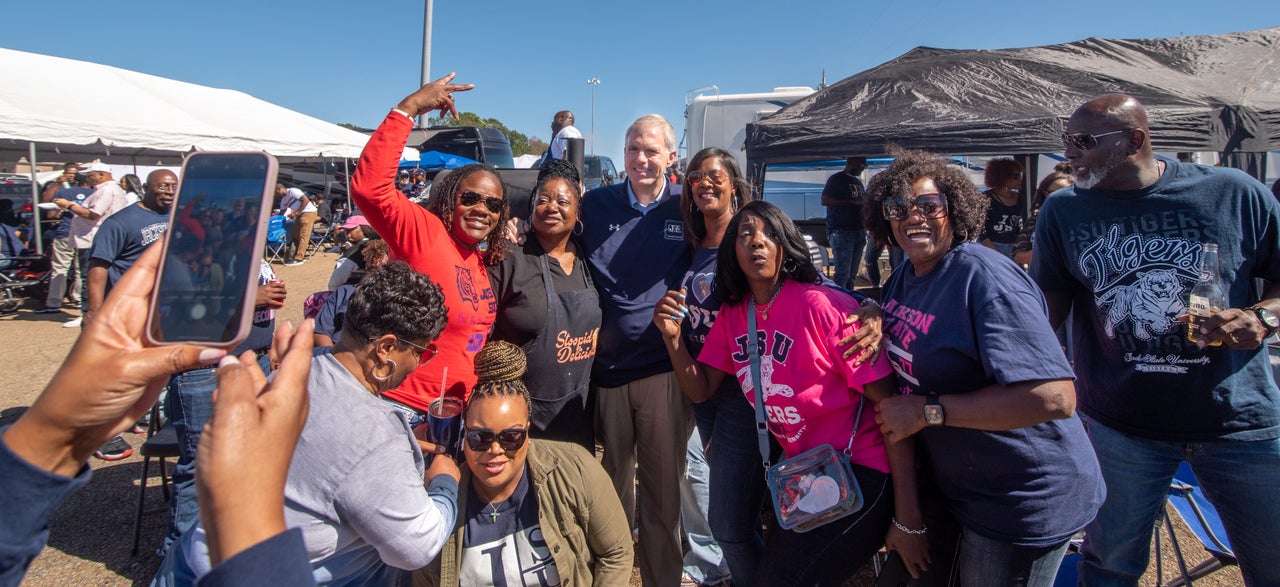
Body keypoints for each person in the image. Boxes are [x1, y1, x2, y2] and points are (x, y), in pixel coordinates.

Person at [1030, 94, 1280, 587]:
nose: (1069, 155)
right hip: (1121, 425)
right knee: (1108, 567)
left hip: (1236, 421)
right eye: (1066, 142)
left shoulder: (1234, 193)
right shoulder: (1063, 210)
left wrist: (1263, 319)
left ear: (1135, 140)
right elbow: (1046, 303)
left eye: (1084, 142)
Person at [655, 199, 926, 585]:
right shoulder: (736, 313)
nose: (757, 242)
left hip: (863, 472)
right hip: (804, 478)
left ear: (786, 244)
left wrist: (908, 520)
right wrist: (672, 339)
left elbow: (893, 409)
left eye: (769, 233)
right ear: (732, 251)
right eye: (745, 234)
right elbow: (700, 389)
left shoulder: (821, 306)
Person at [865, 149, 1104, 587]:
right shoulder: (906, 275)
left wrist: (926, 411)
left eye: (928, 205)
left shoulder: (984, 277)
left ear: (954, 208)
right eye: (898, 208)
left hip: (1020, 498)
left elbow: (1054, 397)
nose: (912, 217)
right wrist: (869, 308)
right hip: (962, 489)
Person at [159, 262, 462, 586]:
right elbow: (417, 546)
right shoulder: (375, 433)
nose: (419, 363)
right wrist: (444, 484)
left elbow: (324, 463)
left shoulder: (299, 368)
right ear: (386, 348)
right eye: (422, 352)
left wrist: (399, 457)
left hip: (188, 565)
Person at [0, 241, 227, 585]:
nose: (168, 191)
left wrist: (57, 440)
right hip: (190, 366)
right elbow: (99, 266)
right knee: (197, 464)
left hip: (221, 362)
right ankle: (174, 553)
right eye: (162, 184)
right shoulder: (127, 225)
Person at [350, 73, 507, 414]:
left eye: (493, 205)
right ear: (451, 199)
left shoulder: (477, 258)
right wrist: (409, 108)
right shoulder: (426, 232)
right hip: (404, 408)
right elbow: (369, 189)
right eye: (471, 198)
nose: (482, 209)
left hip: (455, 413)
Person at [579, 113, 692, 587]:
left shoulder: (688, 205)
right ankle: (614, 576)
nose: (641, 159)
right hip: (604, 373)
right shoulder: (595, 204)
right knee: (611, 492)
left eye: (651, 150)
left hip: (662, 372)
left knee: (663, 495)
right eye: (632, 148)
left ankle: (663, 578)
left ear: (671, 156)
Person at [420, 340, 633, 586]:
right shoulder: (442, 506)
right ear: (464, 433)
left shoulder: (575, 469)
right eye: (480, 437)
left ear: (528, 433)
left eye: (511, 437)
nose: (495, 450)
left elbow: (616, 553)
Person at [489, 158, 600, 450]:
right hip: (521, 418)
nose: (552, 207)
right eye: (543, 199)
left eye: (563, 201)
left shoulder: (589, 258)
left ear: (578, 212)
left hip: (577, 415)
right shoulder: (510, 256)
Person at [54, 161, 131, 328]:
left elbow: (92, 214)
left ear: (101, 175)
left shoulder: (106, 190)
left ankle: (87, 313)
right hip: (97, 239)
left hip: (93, 239)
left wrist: (69, 205)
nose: (88, 178)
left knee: (88, 277)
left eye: (91, 175)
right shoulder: (109, 190)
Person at [35, 164, 90, 314]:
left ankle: (54, 302)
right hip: (87, 234)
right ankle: (79, 299)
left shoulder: (66, 192)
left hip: (66, 232)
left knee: (60, 268)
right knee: (81, 269)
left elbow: (51, 214)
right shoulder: (95, 193)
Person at [313, 239, 390, 347]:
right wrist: (334, 358)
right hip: (334, 352)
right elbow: (320, 332)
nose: (377, 275)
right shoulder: (343, 292)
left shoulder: (395, 301)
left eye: (383, 270)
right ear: (366, 268)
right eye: (372, 269)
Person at [1011, 164, 1074, 267]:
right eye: (1053, 193)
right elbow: (1018, 256)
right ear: (1044, 194)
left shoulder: (1081, 220)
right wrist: (1048, 248)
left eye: (1065, 192)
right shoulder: (1036, 219)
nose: (1059, 197)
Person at [822, 157, 870, 289]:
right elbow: (825, 200)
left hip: (858, 231)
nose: (862, 168)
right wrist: (852, 202)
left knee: (852, 274)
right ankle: (837, 303)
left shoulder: (858, 182)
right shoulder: (837, 179)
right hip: (841, 231)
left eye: (864, 166)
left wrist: (866, 226)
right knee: (843, 273)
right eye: (860, 165)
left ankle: (850, 301)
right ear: (849, 163)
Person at [978, 157, 1025, 258]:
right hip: (991, 248)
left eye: (1020, 175)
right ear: (1003, 176)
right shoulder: (984, 198)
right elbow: (979, 228)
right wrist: (994, 251)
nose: (1020, 180)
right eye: (1015, 176)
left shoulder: (1020, 198)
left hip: (1014, 248)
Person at [326, 215, 382, 291]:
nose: (348, 233)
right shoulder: (380, 245)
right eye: (346, 230)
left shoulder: (355, 251)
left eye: (351, 229)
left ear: (364, 229)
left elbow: (335, 282)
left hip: (355, 293)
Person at [276, 183, 317, 266]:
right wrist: (275, 220)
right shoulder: (284, 200)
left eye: (276, 192)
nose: (277, 195)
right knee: (294, 234)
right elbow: (282, 212)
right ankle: (292, 255)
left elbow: (305, 200)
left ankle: (299, 258)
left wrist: (295, 212)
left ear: (279, 189)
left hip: (308, 212)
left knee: (303, 235)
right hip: (299, 214)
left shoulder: (292, 191)